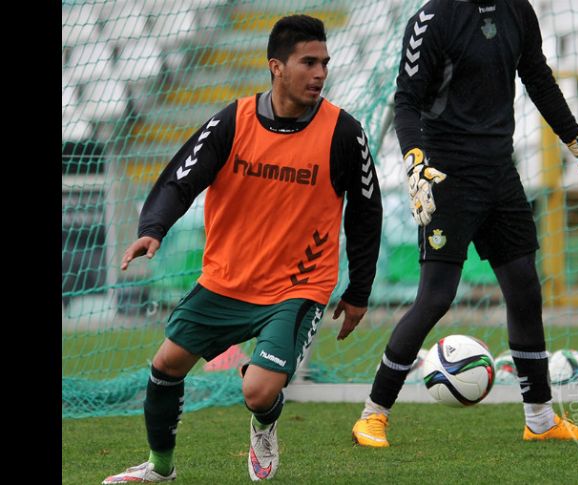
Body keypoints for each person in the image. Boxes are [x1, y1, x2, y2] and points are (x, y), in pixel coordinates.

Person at [102, 15, 383, 483]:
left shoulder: (343, 133)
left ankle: (265, 424)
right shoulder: (233, 121)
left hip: (298, 287)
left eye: (325, 63)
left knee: (257, 390)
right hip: (226, 279)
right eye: (308, 62)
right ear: (276, 66)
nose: (320, 74)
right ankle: (160, 468)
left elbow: (366, 213)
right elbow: (181, 178)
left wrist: (360, 291)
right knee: (165, 366)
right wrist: (154, 227)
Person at [351, 0, 578, 448]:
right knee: (436, 297)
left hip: (500, 172)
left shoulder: (517, 10)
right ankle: (373, 415)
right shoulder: (432, 19)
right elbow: (406, 101)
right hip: (447, 176)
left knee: (525, 288)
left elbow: (539, 79)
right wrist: (415, 163)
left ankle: (541, 420)